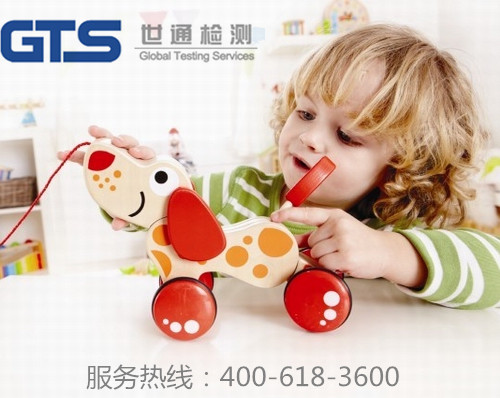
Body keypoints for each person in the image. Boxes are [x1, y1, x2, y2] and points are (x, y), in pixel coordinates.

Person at [60, 24, 499, 309]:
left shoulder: (398, 227)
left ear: (403, 166)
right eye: (305, 113)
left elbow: (494, 276)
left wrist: (391, 254)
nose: (310, 137)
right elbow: (156, 209)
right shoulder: (235, 192)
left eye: (347, 136)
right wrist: (125, 179)